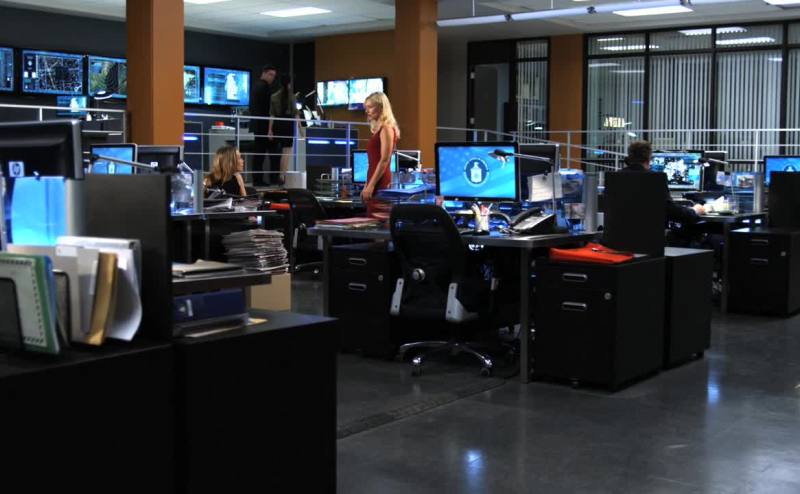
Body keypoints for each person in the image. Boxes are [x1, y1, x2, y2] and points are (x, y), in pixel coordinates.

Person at [623, 140, 705, 222]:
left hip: (621, 228)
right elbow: (672, 212)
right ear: (649, 159)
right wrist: (695, 210)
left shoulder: (617, 177)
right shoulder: (655, 178)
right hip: (649, 229)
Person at [362, 92, 399, 217]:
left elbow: (384, 160)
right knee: (372, 219)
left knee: (378, 220)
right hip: (373, 178)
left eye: (370, 107)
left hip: (381, 180)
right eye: (366, 107)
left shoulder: (386, 129)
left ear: (381, 107)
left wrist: (371, 185)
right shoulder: (377, 130)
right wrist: (367, 185)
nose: (367, 111)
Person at [249, 64, 278, 186]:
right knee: (270, 155)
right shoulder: (265, 88)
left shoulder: (255, 86)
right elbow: (268, 108)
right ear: (264, 73)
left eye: (274, 76)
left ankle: (258, 179)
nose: (272, 78)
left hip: (258, 125)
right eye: (270, 74)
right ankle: (272, 179)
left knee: (259, 155)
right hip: (264, 126)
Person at [268, 74, 298, 179]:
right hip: (288, 125)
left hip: (277, 124)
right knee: (286, 153)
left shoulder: (274, 96)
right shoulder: (292, 97)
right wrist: (300, 129)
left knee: (275, 153)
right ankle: (282, 176)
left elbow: (272, 114)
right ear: (289, 84)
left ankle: (273, 177)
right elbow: (296, 113)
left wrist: (270, 130)